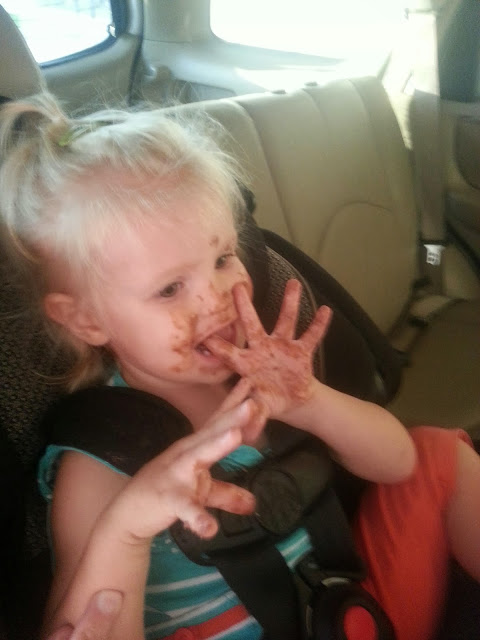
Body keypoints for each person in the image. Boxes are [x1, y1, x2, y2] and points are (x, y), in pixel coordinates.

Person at [0, 91, 478, 640]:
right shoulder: (100, 461)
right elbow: (79, 627)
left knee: (438, 454)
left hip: (353, 611)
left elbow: (399, 465)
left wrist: (310, 402)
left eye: (224, 258)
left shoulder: (265, 378)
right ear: (86, 321)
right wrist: (127, 529)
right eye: (170, 289)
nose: (218, 299)